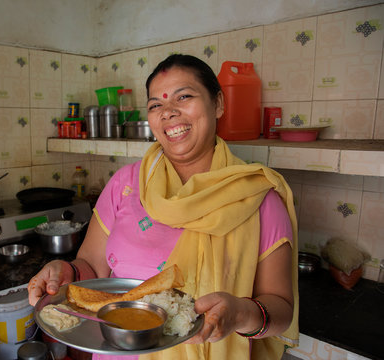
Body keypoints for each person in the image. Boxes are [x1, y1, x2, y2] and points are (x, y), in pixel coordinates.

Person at [28, 54, 299, 360]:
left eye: (184, 96)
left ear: (219, 104)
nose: (168, 112)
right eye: (156, 104)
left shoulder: (258, 198)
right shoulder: (124, 185)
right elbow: (91, 267)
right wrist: (65, 271)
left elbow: (282, 310)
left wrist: (240, 314)